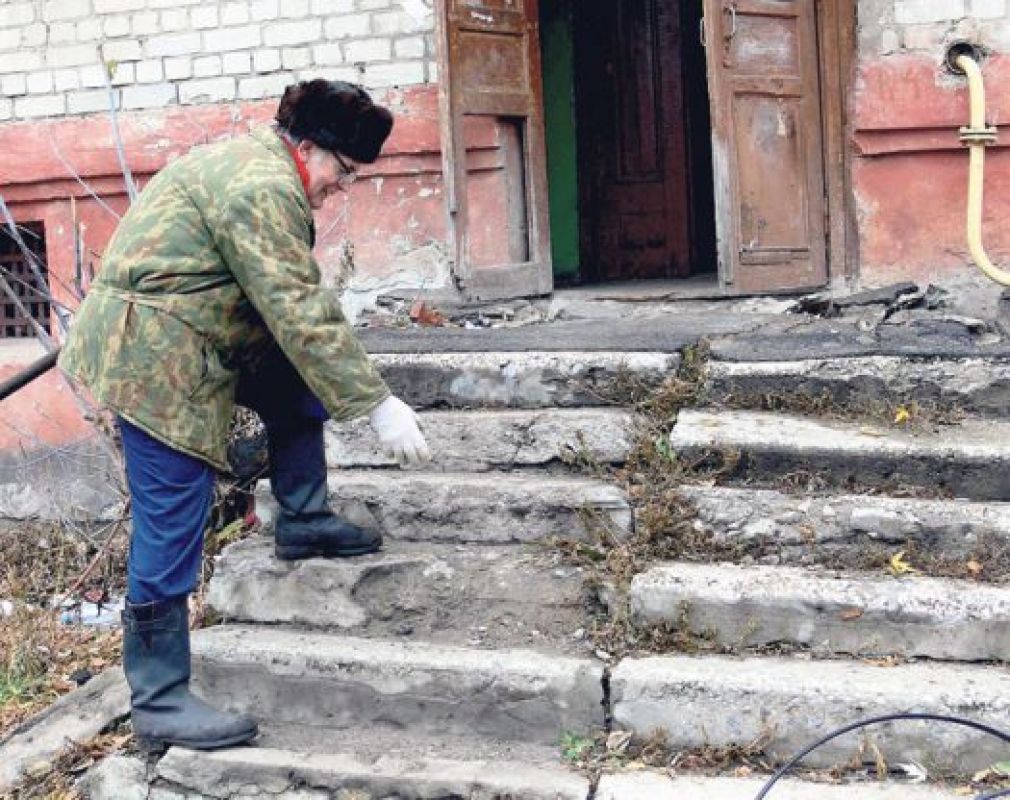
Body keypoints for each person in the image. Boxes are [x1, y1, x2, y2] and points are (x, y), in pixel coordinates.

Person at [59, 79, 431, 752]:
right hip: (154, 357)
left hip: (195, 329)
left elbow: (286, 313)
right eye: (341, 173)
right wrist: (377, 404)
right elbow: (297, 304)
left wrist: (347, 388)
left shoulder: (265, 167)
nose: (340, 187)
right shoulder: (259, 187)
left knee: (295, 382)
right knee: (172, 518)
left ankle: (304, 517)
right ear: (309, 147)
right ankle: (160, 698)